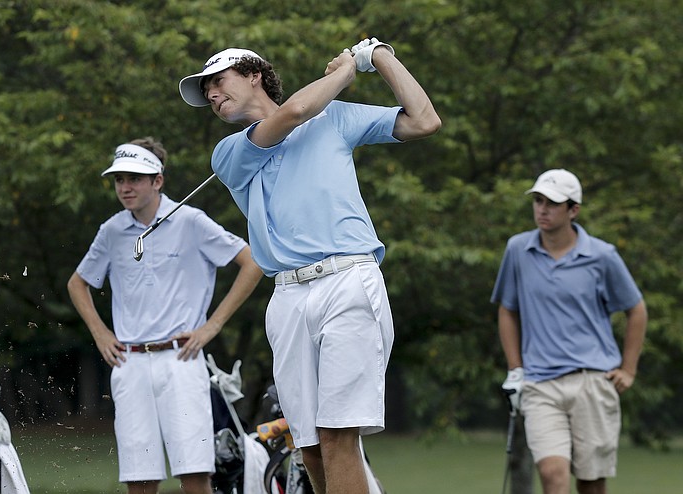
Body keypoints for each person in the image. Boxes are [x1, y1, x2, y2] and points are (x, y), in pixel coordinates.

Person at [178, 38, 441, 494]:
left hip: (348, 281)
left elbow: (424, 120)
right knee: (311, 443)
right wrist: (346, 69)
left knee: (339, 434)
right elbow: (294, 113)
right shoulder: (228, 153)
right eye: (206, 93)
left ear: (253, 73)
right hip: (288, 296)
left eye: (218, 82)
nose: (212, 96)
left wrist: (379, 57)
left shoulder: (334, 117)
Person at [67, 136, 263, 494]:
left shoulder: (191, 221)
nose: (125, 187)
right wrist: (100, 333)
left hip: (182, 359)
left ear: (158, 180)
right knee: (139, 476)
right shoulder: (111, 231)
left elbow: (251, 261)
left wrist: (212, 326)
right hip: (130, 363)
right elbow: (78, 283)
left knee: (194, 472)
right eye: (119, 180)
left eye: (134, 179)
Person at [491, 169, 648, 494]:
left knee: (591, 483)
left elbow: (636, 309)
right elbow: (507, 309)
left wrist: (629, 368)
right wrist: (515, 368)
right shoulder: (518, 250)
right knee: (552, 474)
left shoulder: (602, 256)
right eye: (538, 201)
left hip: (593, 380)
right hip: (540, 385)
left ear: (573, 210)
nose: (542, 209)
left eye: (552, 203)